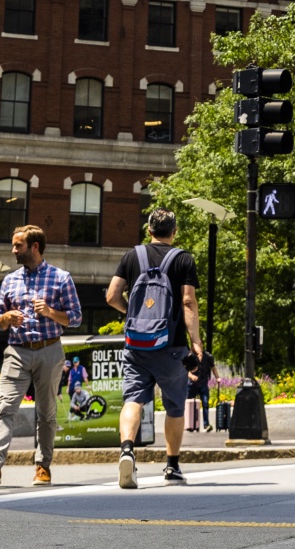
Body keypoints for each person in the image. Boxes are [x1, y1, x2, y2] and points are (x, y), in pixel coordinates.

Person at [0, 223, 82, 487]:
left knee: (46, 413)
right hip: (17, 352)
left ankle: (43, 466)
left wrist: (51, 312)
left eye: (18, 245)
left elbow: (75, 318)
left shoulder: (61, 278)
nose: (13, 250)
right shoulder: (10, 280)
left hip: (50, 350)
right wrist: (6, 317)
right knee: (5, 408)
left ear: (34, 247)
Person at [106, 207, 203, 489]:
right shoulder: (183, 259)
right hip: (171, 346)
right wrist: (195, 340)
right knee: (174, 406)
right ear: (174, 232)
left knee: (133, 399)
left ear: (149, 230)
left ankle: (126, 450)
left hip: (136, 344)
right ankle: (172, 467)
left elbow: (112, 296)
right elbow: (187, 302)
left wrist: (131, 315)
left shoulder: (131, 256)